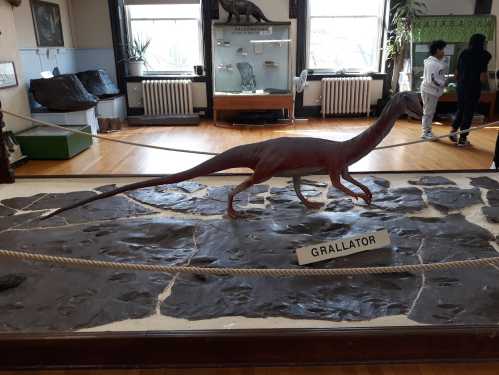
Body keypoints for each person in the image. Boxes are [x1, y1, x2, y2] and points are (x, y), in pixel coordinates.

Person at [451, 33, 492, 147]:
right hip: (473, 88)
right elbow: (482, 76)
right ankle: (463, 139)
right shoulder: (485, 55)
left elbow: (456, 74)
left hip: (461, 86)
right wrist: (484, 86)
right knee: (468, 112)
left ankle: (453, 131)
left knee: (461, 108)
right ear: (482, 43)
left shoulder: (464, 53)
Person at [421, 40, 448, 140]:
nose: (444, 52)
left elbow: (438, 76)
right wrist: (443, 83)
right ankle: (426, 132)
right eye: (443, 50)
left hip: (433, 92)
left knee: (430, 112)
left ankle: (427, 131)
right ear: (437, 50)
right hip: (429, 91)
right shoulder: (432, 63)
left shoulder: (436, 62)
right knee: (428, 112)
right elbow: (431, 80)